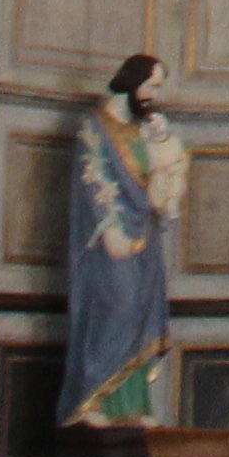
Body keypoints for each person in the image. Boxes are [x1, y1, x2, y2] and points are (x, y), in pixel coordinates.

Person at [61, 53, 189, 427]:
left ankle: (132, 405)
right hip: (109, 241)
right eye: (150, 86)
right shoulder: (94, 128)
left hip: (144, 236)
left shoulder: (141, 130)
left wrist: (163, 146)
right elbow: (91, 180)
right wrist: (109, 227)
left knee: (139, 311)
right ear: (132, 82)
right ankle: (92, 399)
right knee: (115, 305)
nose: (153, 95)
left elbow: (161, 176)